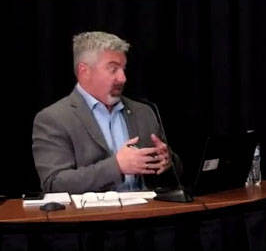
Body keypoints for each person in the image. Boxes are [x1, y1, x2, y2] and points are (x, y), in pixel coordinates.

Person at [32, 32, 175, 193]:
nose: (123, 78)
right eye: (113, 69)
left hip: (150, 213)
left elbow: (173, 176)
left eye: (123, 69)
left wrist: (167, 161)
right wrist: (117, 166)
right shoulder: (54, 118)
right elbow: (54, 184)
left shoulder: (143, 112)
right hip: (94, 217)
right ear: (84, 71)